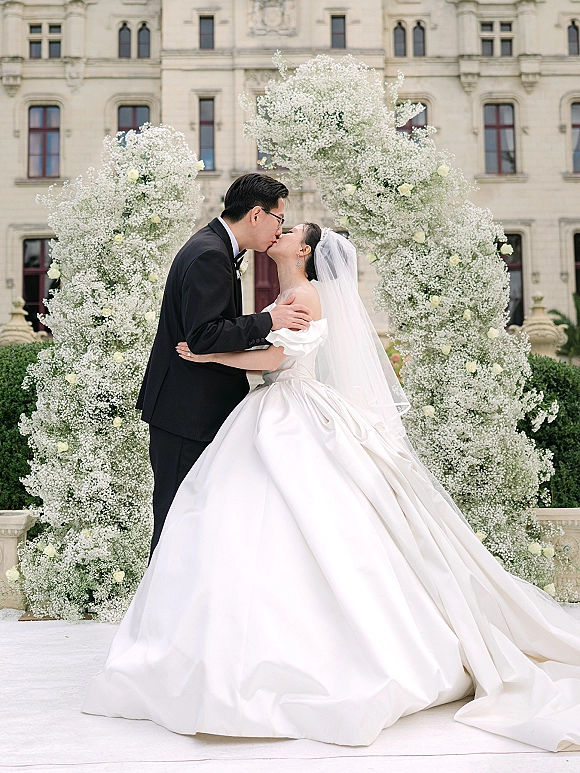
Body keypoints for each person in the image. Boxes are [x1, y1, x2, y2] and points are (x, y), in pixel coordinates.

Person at [84, 226, 580, 751]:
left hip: (292, 411)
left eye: (290, 229)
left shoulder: (303, 294)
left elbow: (277, 359)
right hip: (276, 409)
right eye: (279, 220)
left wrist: (210, 357)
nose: (281, 229)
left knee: (296, 518)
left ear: (303, 251)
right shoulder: (287, 293)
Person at [136, 173, 312, 556]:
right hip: (186, 412)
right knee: (176, 518)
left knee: (196, 517)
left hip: (193, 408)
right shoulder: (210, 254)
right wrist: (269, 321)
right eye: (278, 220)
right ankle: (162, 612)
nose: (278, 231)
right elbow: (203, 335)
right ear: (255, 215)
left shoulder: (215, 246)